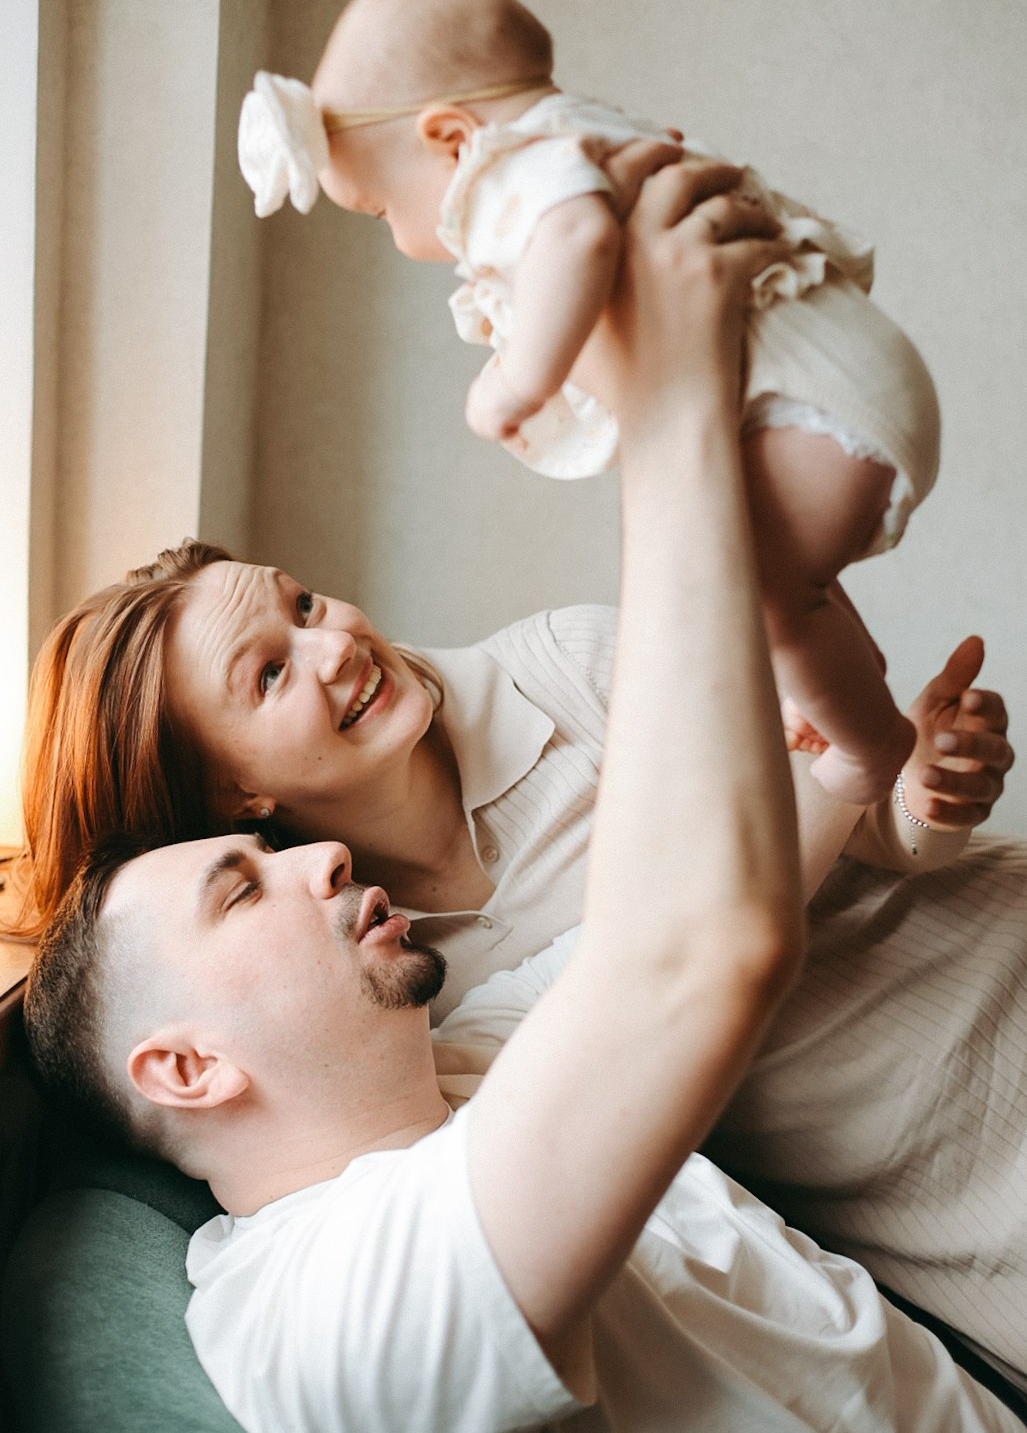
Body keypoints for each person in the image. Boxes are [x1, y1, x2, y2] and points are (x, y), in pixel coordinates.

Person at [23, 171, 1021, 1430]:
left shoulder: (455, 1048)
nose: (319, 860)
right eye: (243, 877)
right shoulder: (330, 1299)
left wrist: (861, 743)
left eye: (307, 605)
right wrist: (667, 405)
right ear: (181, 1061)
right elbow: (684, 955)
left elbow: (740, 864)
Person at [238, 0, 941, 803]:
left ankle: (870, 746)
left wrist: (518, 382)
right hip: (843, 375)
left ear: (450, 139)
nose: (396, 237)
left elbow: (577, 239)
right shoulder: (571, 138)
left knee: (757, 588)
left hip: (822, 403)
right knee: (778, 585)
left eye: (381, 210)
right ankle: (838, 680)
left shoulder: (517, 168)